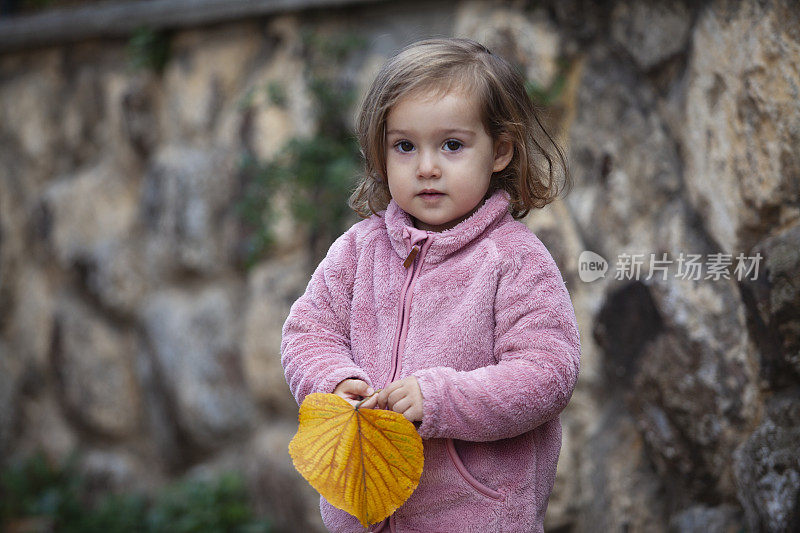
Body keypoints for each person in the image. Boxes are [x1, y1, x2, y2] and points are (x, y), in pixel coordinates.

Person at [281, 37, 581, 533]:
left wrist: (441, 398)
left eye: (452, 145)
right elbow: (308, 333)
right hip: (364, 512)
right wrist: (335, 381)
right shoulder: (358, 251)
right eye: (405, 146)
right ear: (380, 152)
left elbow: (547, 373)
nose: (426, 167)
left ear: (500, 150)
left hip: (474, 515)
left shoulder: (513, 260)